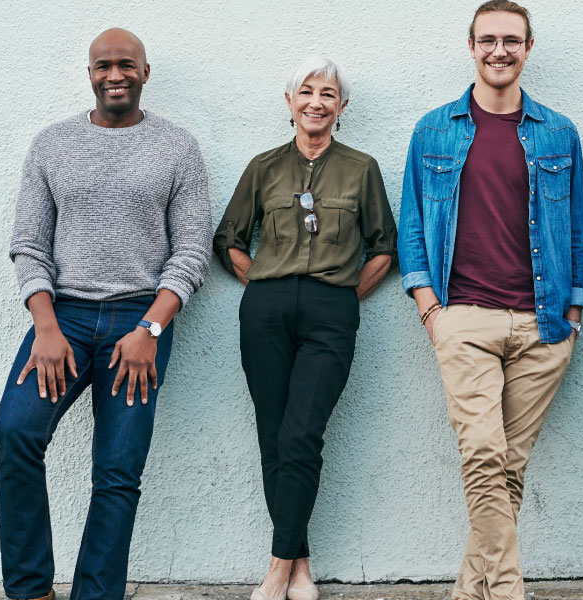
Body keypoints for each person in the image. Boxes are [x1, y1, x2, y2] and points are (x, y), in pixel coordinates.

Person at [0, 28, 211, 600]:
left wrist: (151, 329)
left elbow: (190, 253)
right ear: (90, 73)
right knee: (15, 433)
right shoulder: (52, 145)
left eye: (126, 65)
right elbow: (29, 245)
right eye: (103, 65)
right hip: (62, 318)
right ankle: (30, 589)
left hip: (141, 321)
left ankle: (97, 593)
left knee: (118, 472)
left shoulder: (177, 148)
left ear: (144, 72)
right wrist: (44, 325)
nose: (115, 74)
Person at [397, 2, 583, 598]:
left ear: (529, 48)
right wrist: (432, 309)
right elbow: (411, 231)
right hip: (464, 318)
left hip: (544, 323)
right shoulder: (434, 129)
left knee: (507, 467)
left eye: (511, 40)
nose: (499, 51)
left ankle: (468, 588)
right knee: (483, 452)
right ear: (471, 46)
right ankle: (507, 589)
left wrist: (574, 313)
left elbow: (577, 230)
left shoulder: (559, 132)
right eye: (488, 40)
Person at [213, 56, 396, 600]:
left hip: (330, 311)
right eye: (307, 92)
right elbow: (229, 239)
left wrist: (342, 295)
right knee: (274, 435)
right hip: (266, 310)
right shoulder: (263, 167)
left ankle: (276, 566)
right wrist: (263, 284)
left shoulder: (362, 169)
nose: (317, 101)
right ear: (289, 102)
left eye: (329, 93)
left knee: (301, 433)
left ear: (343, 107)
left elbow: (385, 246)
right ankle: (300, 565)